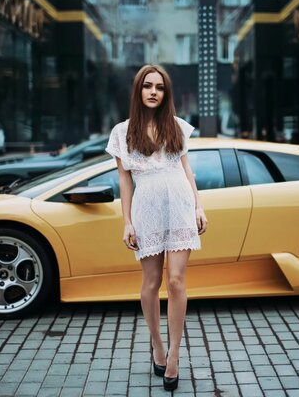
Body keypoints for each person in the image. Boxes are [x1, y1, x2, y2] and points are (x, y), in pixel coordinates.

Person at [105, 64, 208, 391]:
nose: (153, 91)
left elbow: (186, 170)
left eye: (159, 87)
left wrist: (199, 205)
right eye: (147, 86)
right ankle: (157, 344)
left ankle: (175, 355)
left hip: (179, 205)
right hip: (146, 207)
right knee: (151, 282)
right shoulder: (122, 132)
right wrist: (127, 222)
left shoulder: (176, 126)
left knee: (176, 282)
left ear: (166, 93)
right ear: (138, 91)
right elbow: (124, 180)